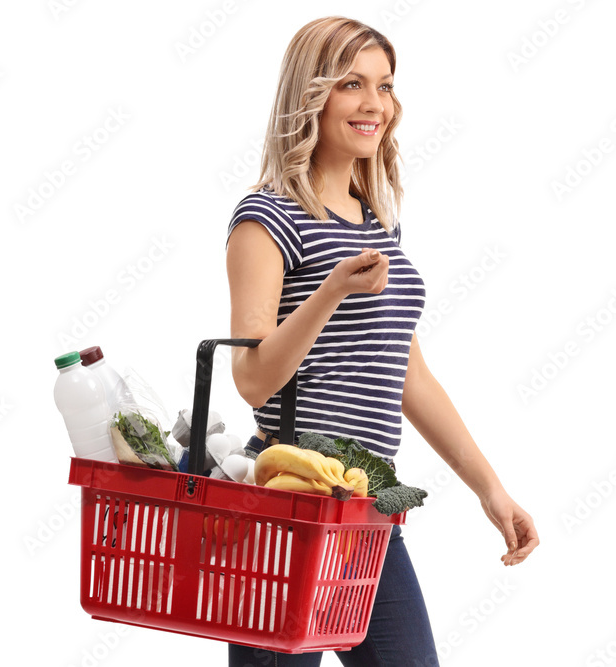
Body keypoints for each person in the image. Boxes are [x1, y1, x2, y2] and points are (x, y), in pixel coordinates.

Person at [224, 16, 539, 666]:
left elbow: (409, 377)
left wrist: (491, 490)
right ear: (312, 96)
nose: (375, 104)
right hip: (288, 508)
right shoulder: (267, 217)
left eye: (385, 85)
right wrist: (330, 291)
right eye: (351, 84)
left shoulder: (376, 225)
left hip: (366, 508)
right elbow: (253, 377)